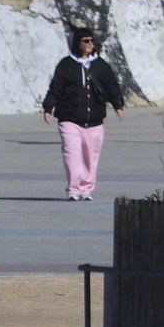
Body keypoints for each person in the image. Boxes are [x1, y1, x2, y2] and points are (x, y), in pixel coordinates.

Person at [43, 27, 125, 201]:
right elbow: (55, 87)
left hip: (94, 120)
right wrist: (48, 107)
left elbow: (112, 86)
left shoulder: (100, 66)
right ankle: (73, 189)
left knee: (90, 157)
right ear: (77, 43)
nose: (89, 44)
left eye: (91, 41)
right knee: (71, 152)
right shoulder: (66, 65)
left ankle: (86, 189)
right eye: (85, 41)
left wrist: (118, 105)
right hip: (69, 118)